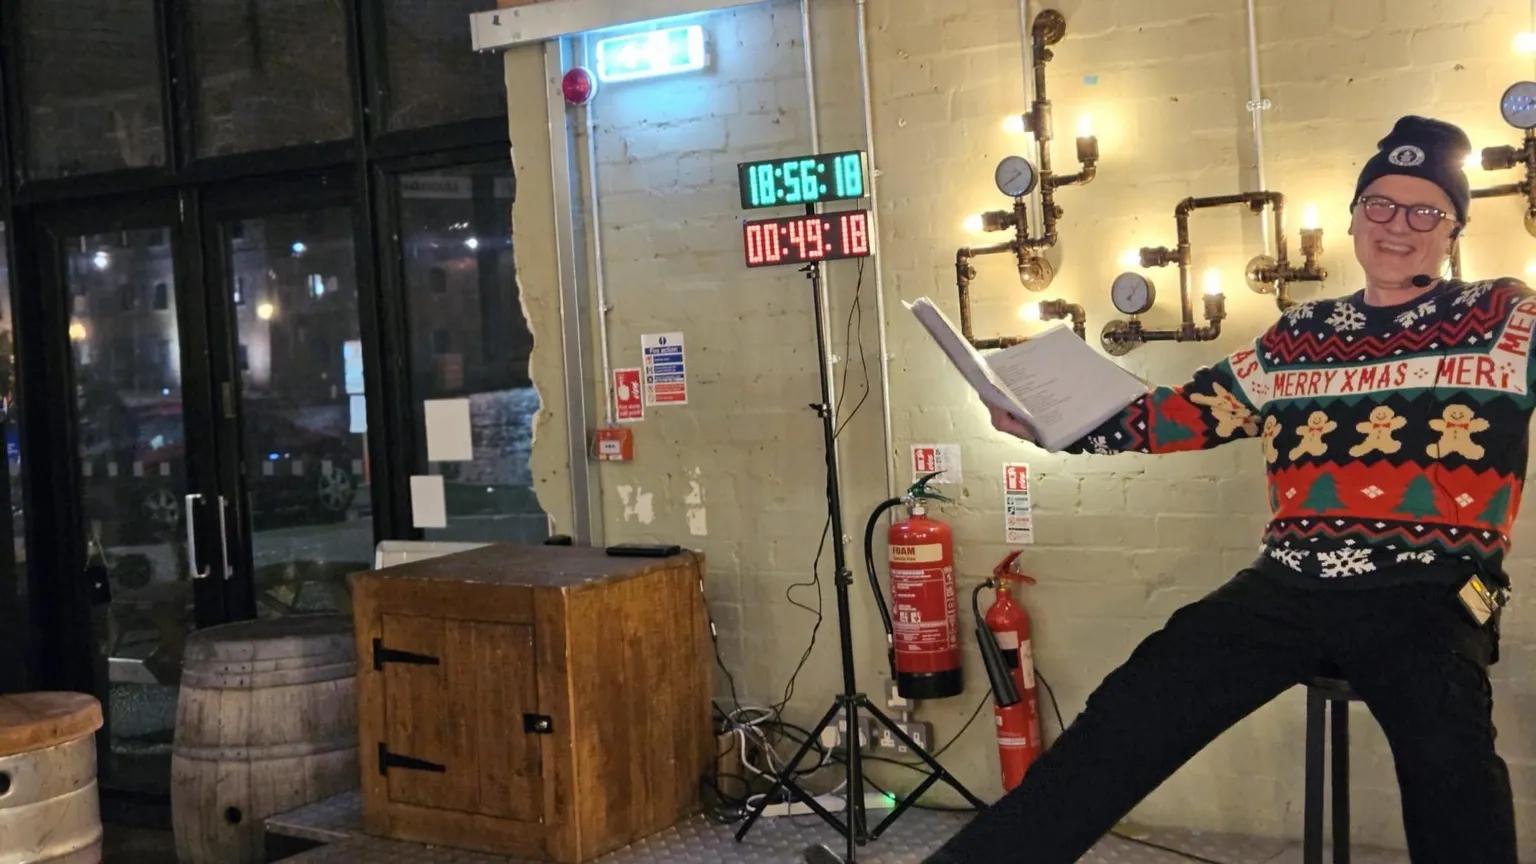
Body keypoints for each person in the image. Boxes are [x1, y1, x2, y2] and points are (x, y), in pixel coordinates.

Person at [924, 116, 1529, 863]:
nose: (1397, 225)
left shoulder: (1502, 315)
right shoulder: (1300, 335)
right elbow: (1179, 414)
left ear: (1453, 229)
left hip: (1428, 587)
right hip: (1289, 585)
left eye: (1424, 211)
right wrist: (1046, 425)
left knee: (1451, 758)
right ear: (1353, 217)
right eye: (1380, 204)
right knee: (1133, 709)